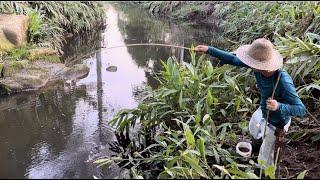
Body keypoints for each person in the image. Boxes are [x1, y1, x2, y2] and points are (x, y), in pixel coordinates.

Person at [194, 38, 306, 167]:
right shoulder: (259, 67)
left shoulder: (283, 82)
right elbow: (233, 59)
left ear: (260, 64)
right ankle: (256, 145)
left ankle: (264, 170)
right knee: (254, 126)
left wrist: (278, 106)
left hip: (277, 123)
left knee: (265, 161)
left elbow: (300, 109)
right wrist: (209, 50)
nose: (248, 63)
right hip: (263, 110)